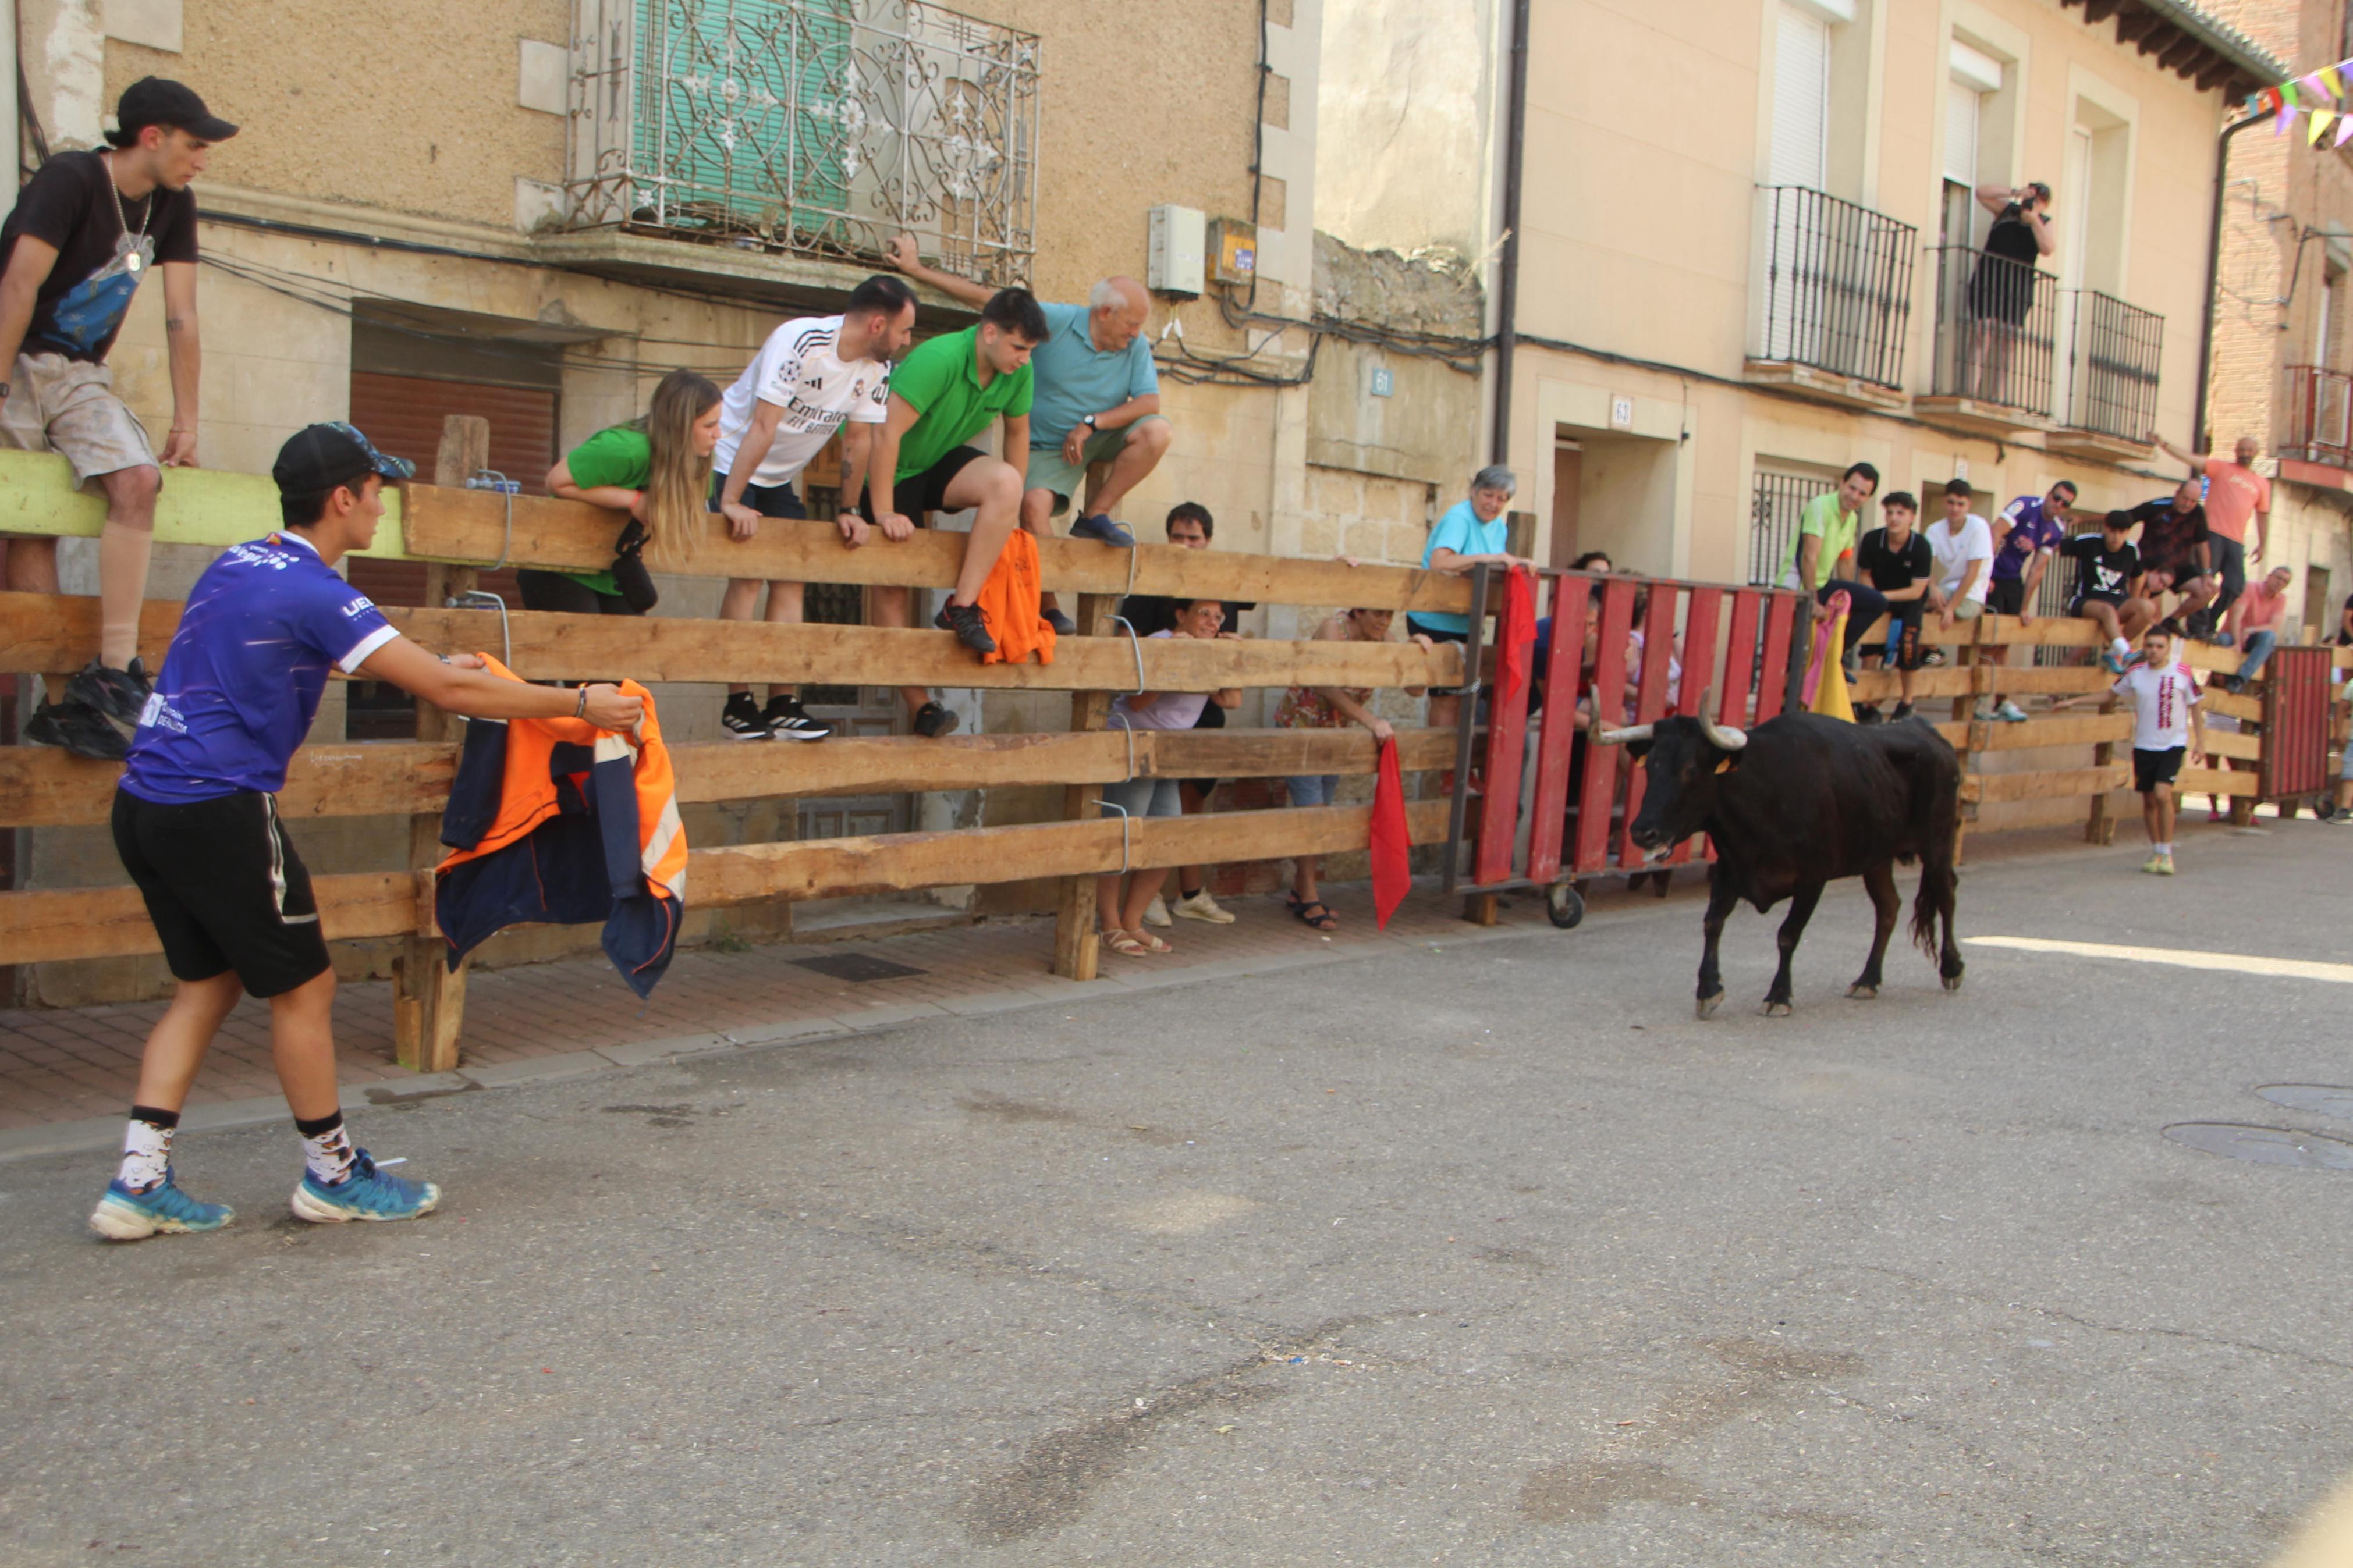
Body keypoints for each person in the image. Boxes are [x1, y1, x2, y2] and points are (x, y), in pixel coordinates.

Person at [88, 423, 647, 1240]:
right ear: (342, 498)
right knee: (305, 988)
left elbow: (317, 654)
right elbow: (444, 695)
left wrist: (437, 666)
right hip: (219, 807)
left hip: (145, 802)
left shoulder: (241, 562)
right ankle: (335, 1172)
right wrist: (578, 703)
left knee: (207, 984)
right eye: (377, 488)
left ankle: (138, 1179)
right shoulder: (319, 590)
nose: (383, 503)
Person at [1, 79, 237, 761]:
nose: (203, 159)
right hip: (14, 354)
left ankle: (116, 666)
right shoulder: (70, 179)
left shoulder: (174, 203)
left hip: (78, 373)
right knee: (30, 527)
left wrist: (187, 421)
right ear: (152, 137)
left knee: (138, 481)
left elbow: (182, 314)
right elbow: (17, 285)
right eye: (195, 144)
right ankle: (56, 705)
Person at [883, 240, 1165, 624]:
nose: (1136, 334)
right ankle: (1046, 603)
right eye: (1132, 323)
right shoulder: (1052, 321)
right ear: (1105, 312)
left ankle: (1094, 515)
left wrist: (1091, 423)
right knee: (1030, 505)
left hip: (1099, 433)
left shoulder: (1132, 347)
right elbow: (993, 302)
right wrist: (918, 271)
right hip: (1049, 447)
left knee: (1157, 432)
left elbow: (1150, 404)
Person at [709, 275, 917, 741]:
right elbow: (762, 425)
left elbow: (859, 438)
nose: (906, 342)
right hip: (734, 460)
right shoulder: (801, 341)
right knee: (747, 574)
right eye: (904, 332)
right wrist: (730, 499)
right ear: (878, 324)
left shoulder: (876, 369)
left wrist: (849, 508)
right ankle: (738, 702)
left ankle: (783, 701)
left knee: (792, 577)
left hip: (780, 475)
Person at [861, 286, 1049, 738]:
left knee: (1005, 482)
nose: (1024, 359)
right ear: (988, 332)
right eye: (1018, 347)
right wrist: (884, 510)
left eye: (1030, 351)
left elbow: (1018, 435)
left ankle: (961, 606)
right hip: (890, 468)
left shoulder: (1017, 370)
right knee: (891, 594)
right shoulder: (939, 358)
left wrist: (1018, 516)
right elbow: (885, 436)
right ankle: (920, 704)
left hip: (935, 463)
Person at [1273, 606, 1436, 931]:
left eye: (1389, 616)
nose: (1384, 622)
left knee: (1322, 813)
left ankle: (1299, 890)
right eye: (1377, 614)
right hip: (1302, 732)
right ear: (1357, 611)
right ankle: (1307, 894)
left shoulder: (1383, 638)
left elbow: (1415, 689)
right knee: (1314, 814)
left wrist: (1417, 651)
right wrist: (1370, 720)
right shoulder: (1333, 628)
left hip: (1335, 737)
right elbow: (1324, 686)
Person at [1124, 503, 1247, 928]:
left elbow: (1230, 677)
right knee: (1143, 810)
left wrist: (1221, 657)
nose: (1184, 544)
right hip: (1154, 710)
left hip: (1202, 708)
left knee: (1188, 801)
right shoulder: (1150, 581)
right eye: (1177, 536)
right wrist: (1171, 657)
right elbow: (1127, 642)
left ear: (1207, 542)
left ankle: (1189, 893)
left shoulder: (1220, 584)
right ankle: (1146, 899)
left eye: (1193, 538)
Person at [1095, 599, 1238, 957]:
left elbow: (1231, 700)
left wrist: (1232, 657)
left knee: (1168, 838)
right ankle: (1109, 926)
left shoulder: (1208, 649)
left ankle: (1132, 923)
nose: (1211, 621)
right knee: (1123, 837)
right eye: (1203, 613)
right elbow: (1140, 702)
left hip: (1168, 754)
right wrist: (1174, 657)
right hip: (1134, 745)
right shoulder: (1160, 641)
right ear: (1181, 615)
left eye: (1218, 617)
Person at [536, 368, 721, 618]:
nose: (718, 434)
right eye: (709, 425)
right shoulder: (626, 449)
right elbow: (556, 481)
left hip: (616, 572)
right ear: (681, 424)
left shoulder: (700, 464)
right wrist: (633, 500)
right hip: (561, 565)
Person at [2059, 627, 2203, 875]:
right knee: (2148, 800)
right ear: (2143, 648)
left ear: (2168, 649)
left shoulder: (2182, 672)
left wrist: (2201, 741)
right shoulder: (2135, 672)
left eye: (2159, 646)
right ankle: (2156, 849)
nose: (2154, 651)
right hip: (2145, 744)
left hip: (2172, 743)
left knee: (2162, 794)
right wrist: (2074, 701)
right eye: (2150, 646)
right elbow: (2110, 695)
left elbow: (2196, 705)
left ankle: (2168, 853)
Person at [1407, 465, 1535, 742]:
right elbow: (1440, 561)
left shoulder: (1498, 528)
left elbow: (1500, 563)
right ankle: (1440, 770)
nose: (1493, 504)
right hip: (1435, 618)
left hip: (1466, 620)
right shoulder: (1460, 518)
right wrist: (1489, 559)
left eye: (1501, 499)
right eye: (1488, 495)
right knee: (1445, 699)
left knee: (1465, 698)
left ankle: (1450, 768)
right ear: (1473, 492)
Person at [2154, 433, 2270, 631]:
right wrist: (2165, 445)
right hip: (2211, 533)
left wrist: (2263, 545)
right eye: (2242, 450)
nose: (2245, 454)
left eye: (2249, 450)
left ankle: (2209, 622)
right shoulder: (2222, 468)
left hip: (2236, 540)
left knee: (2235, 586)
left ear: (2256, 453)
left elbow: (2263, 515)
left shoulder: (2262, 484)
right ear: (2235, 451)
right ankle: (2197, 627)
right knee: (2204, 582)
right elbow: (2192, 459)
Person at [1780, 463, 1886, 670]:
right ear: (1842, 483)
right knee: (1794, 646)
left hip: (1821, 583)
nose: (1854, 496)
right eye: (1852, 488)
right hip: (1797, 584)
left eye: (1862, 494)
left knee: (1876, 602)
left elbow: (1845, 561)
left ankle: (1832, 655)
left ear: (1869, 498)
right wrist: (1813, 601)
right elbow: (1809, 557)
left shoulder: (1852, 519)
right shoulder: (1820, 506)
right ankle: (1812, 669)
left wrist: (1846, 602)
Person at [1986, 479, 2075, 720]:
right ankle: (1975, 699)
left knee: (2005, 642)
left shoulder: (2056, 529)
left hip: (2013, 578)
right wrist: (1985, 575)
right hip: (1992, 572)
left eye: (2064, 503)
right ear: (2048, 494)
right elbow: (1996, 532)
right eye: (2056, 498)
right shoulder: (2025, 505)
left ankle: (2001, 701)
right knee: (1988, 638)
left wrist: (2025, 606)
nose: (2058, 504)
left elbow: (2038, 568)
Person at [1967, 182, 2055, 403]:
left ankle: (1999, 396)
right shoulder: (2006, 211)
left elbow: (2048, 248)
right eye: (2031, 195)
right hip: (1990, 278)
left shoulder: (2044, 223)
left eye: (2038, 199)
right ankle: (1969, 390)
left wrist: (2033, 219)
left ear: (2044, 204)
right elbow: (1981, 193)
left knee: (2009, 342)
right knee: (1981, 334)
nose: (2033, 201)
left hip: (2018, 285)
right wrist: (2015, 193)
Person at [1852, 491, 1935, 723]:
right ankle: (1866, 702)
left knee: (1909, 643)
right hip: (1879, 597)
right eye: (1890, 513)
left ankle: (1907, 701)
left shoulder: (1921, 546)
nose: (1894, 518)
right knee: (1870, 646)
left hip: (1909, 599)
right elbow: (1865, 575)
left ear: (1912, 517)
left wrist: (1882, 596)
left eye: (1901, 513)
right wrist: (1873, 597)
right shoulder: (1872, 540)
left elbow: (1917, 590)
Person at [2120, 478, 2217, 635]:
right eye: (2185, 499)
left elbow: (2203, 544)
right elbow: (2122, 518)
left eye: (2193, 501)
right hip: (2151, 569)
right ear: (2177, 493)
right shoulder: (2157, 507)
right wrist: (2085, 520)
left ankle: (2172, 620)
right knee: (2150, 615)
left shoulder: (2197, 513)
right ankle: (2124, 648)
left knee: (2208, 590)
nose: (2188, 505)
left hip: (2179, 568)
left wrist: (2207, 573)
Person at [2060, 511, 2153, 673]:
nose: (2116, 537)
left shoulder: (2132, 550)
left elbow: (2138, 576)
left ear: (2128, 532)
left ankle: (2114, 652)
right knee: (2106, 611)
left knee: (2147, 607)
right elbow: (2055, 546)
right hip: (2086, 601)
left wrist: (2133, 598)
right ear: (2106, 528)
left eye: (2122, 532)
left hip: (2117, 604)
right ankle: (2125, 653)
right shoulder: (2089, 541)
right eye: (2113, 531)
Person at [2222, 566, 2294, 694]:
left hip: (2251, 638)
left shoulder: (2281, 599)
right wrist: (2237, 643)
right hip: (2233, 635)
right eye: (2279, 578)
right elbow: (2235, 617)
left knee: (2270, 637)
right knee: (2223, 640)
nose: (2281, 583)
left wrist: (2251, 630)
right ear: (2269, 576)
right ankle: (2224, 681)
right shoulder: (2250, 588)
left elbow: (2274, 626)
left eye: (2285, 582)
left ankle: (2240, 679)